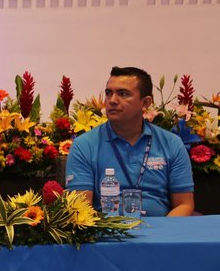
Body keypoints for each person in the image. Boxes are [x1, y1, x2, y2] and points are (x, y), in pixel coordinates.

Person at [65, 66, 194, 216]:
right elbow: (81, 210)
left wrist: (161, 235)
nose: (112, 100)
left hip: (162, 230)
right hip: (107, 233)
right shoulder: (84, 145)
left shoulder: (172, 143)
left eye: (123, 94)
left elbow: (184, 204)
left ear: (145, 103)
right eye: (108, 93)